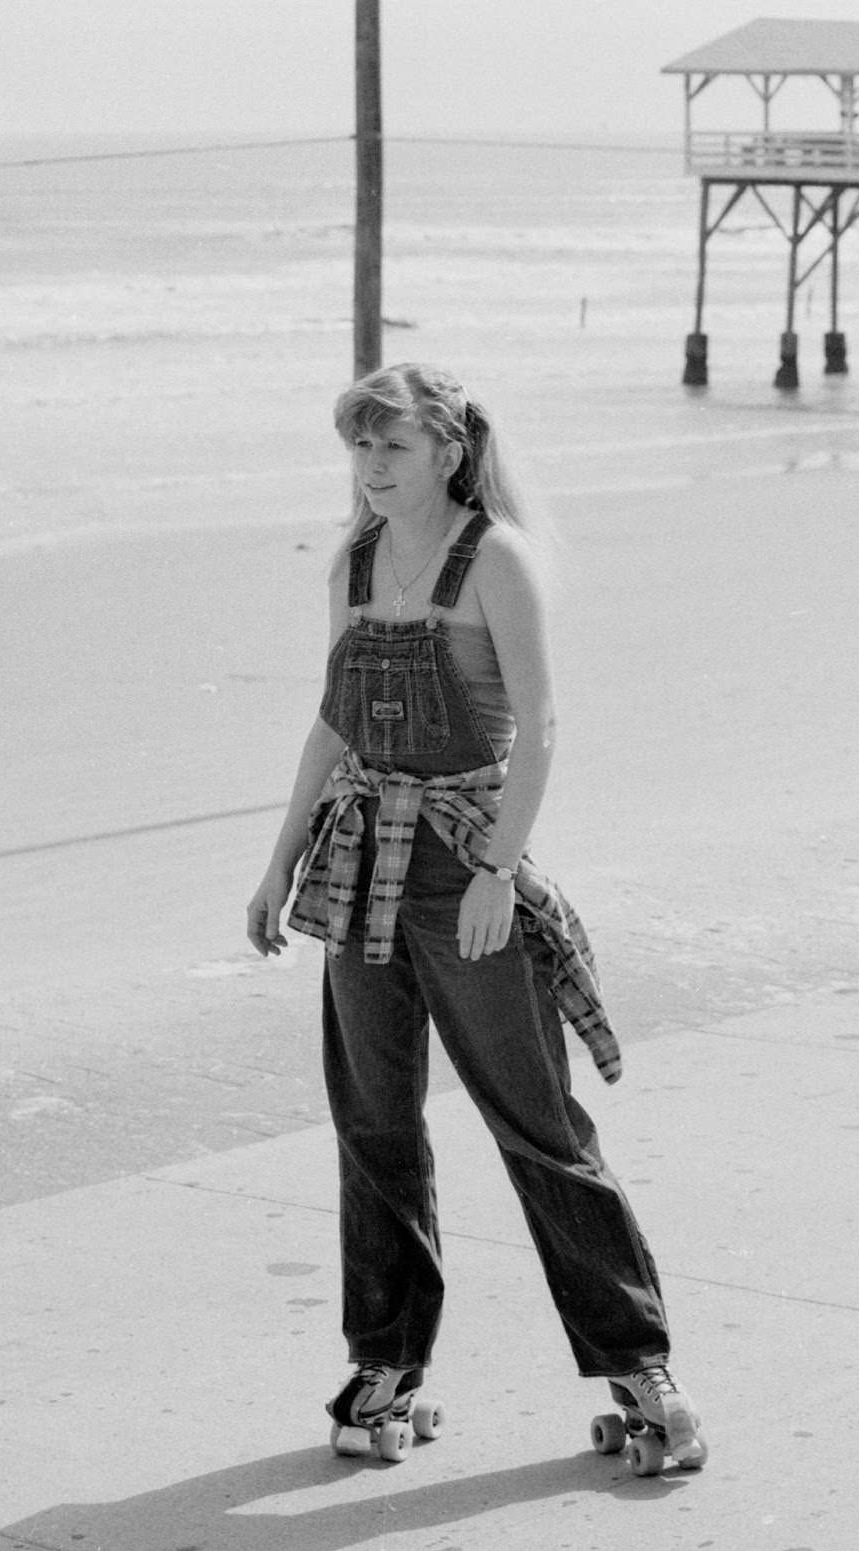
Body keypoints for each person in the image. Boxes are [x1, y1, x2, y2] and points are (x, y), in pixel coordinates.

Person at [246, 362, 705, 1470]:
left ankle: (643, 1378)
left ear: (448, 449)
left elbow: (539, 728)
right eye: (357, 447)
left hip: (463, 868)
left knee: (537, 1126)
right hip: (357, 867)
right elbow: (330, 726)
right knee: (373, 1123)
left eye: (391, 446)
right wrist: (274, 865)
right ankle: (382, 1368)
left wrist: (499, 871)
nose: (370, 467)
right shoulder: (352, 561)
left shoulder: (493, 558)